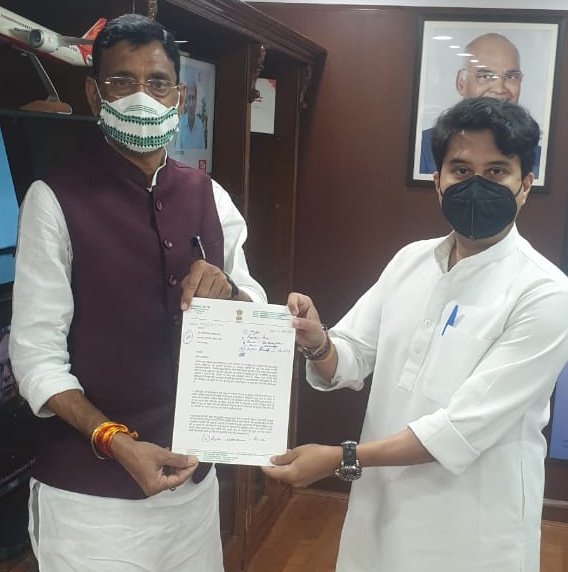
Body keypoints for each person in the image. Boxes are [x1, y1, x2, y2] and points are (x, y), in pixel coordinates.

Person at [264, 97, 568, 571]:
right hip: (382, 504)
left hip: (474, 524)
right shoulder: (411, 260)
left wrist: (340, 457)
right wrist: (316, 341)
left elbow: (459, 430)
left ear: (525, 185)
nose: (477, 184)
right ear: (438, 182)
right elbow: (351, 356)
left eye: (496, 171)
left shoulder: (546, 293)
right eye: (461, 170)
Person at [9, 14, 266, 572]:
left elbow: (254, 309)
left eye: (157, 82)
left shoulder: (210, 195)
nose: (142, 96)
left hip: (194, 487)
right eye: (122, 81)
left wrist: (230, 295)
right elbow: (35, 358)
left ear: (179, 95)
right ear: (94, 93)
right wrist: (116, 441)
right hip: (92, 504)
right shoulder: (54, 199)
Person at [420, 33, 541, 176]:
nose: (499, 89)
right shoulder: (423, 149)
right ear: (461, 83)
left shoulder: (536, 155)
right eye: (485, 76)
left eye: (511, 76)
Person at [177, 75, 206, 149]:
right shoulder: (180, 125)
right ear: (186, 101)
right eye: (189, 98)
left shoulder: (200, 125)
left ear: (196, 100)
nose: (191, 103)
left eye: (193, 98)